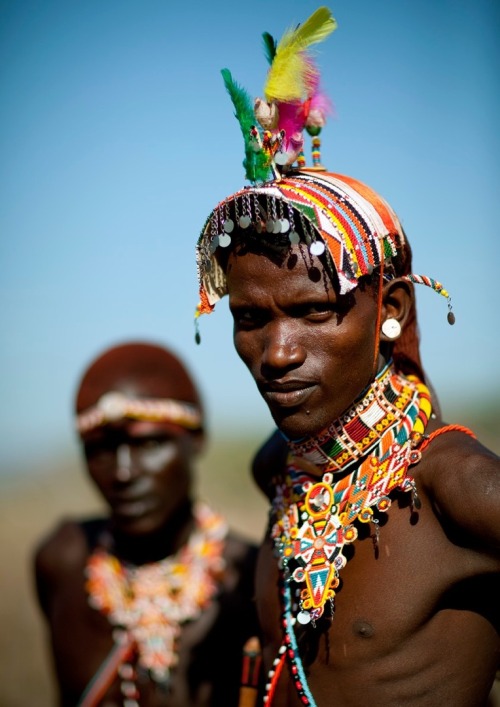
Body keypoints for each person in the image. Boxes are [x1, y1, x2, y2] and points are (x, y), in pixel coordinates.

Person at [193, 7, 500, 706]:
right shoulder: (280, 470)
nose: (275, 352)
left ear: (388, 312)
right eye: (249, 318)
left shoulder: (459, 489)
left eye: (312, 310)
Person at [33, 341, 261, 707]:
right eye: (102, 449)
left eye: (150, 443)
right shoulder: (63, 561)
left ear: (197, 440)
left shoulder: (252, 578)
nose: (123, 472)